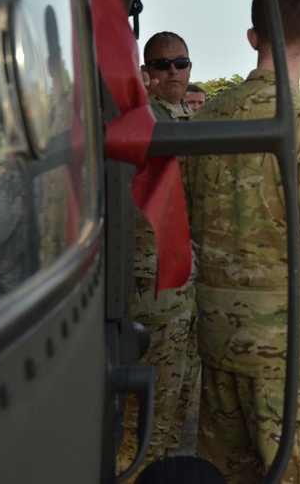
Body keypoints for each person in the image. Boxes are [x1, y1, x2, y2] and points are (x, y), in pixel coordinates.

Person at [184, 0, 300, 482]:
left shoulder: (207, 119)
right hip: (287, 348)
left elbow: (183, 220)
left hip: (220, 337)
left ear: (251, 37)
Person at [117, 31, 200, 477]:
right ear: (146, 72)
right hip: (154, 287)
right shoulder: (144, 119)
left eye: (181, 63)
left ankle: (156, 470)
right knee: (147, 410)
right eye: (163, 64)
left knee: (178, 394)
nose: (173, 71)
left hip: (182, 283)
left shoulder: (182, 117)